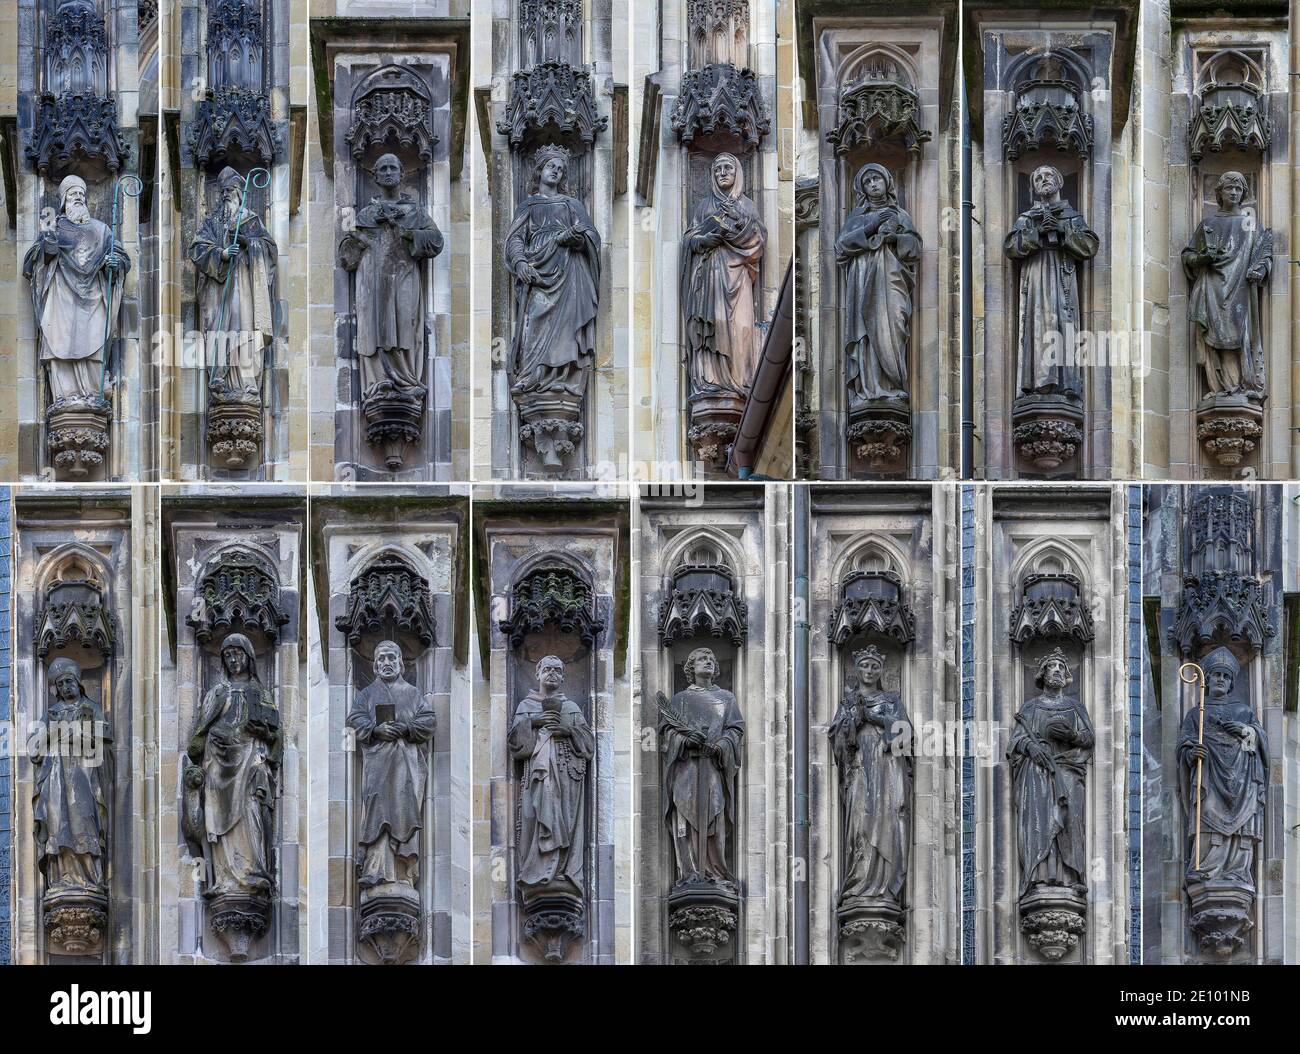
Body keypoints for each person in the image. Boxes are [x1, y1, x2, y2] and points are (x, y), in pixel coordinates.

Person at [337, 153, 444, 400]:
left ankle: (406, 380)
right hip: (372, 284)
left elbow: (436, 241)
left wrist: (407, 233)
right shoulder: (365, 215)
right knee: (374, 328)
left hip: (403, 277)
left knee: (405, 323)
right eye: (382, 168)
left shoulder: (415, 213)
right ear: (374, 176)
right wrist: (357, 241)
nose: (387, 172)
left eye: (392, 168)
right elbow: (346, 256)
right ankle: (378, 381)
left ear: (401, 174)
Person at [23, 174, 130, 403]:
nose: (79, 198)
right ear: (64, 200)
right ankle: (65, 396)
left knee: (94, 343)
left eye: (81, 194)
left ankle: (93, 393)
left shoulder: (102, 230)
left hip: (93, 297)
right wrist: (47, 243)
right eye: (73, 194)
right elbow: (33, 261)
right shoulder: (55, 226)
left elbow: (121, 257)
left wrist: (115, 262)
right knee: (59, 340)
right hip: (62, 297)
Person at [346, 640, 436, 894]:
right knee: (376, 807)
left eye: (391, 658)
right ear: (374, 666)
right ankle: (374, 868)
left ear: (400, 663)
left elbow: (429, 721)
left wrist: (405, 728)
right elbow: (352, 723)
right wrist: (375, 730)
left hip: (405, 766)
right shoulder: (366, 695)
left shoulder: (412, 694)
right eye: (381, 659)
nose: (386, 663)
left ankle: (401, 871)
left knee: (402, 809)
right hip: (377, 764)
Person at [680, 152, 767, 398]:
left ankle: (739, 379)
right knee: (714, 325)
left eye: (728, 168)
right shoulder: (704, 206)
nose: (722, 173)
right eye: (717, 170)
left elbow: (759, 240)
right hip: (708, 277)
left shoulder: (746, 205)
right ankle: (711, 379)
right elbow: (689, 238)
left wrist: (737, 228)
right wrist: (705, 239)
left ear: (737, 171)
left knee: (741, 327)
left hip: (738, 276)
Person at [836, 164, 921, 408]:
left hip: (892, 279)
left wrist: (895, 237)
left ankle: (893, 384)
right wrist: (872, 224)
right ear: (863, 188)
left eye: (877, 179)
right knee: (866, 330)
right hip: (863, 279)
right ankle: (870, 387)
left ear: (887, 182)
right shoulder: (857, 217)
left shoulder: (901, 215)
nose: (873, 184)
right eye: (868, 181)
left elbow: (914, 248)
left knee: (892, 324)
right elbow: (841, 246)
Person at [1182, 171, 1272, 399]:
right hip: (1212, 289)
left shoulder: (1251, 225)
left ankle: (1238, 388)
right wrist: (1204, 258)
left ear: (1243, 194)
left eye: (1238, 189)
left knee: (1236, 340)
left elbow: (1265, 255)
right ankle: (1219, 387)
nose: (1233, 192)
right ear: (1219, 193)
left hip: (1240, 292)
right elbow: (1188, 257)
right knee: (1215, 340)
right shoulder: (1208, 224)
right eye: (1228, 188)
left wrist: (1259, 271)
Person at [659, 646, 745, 885]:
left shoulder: (726, 699)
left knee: (714, 814)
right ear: (690, 667)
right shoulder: (680, 700)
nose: (708, 661)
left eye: (711, 658)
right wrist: (685, 740)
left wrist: (720, 746)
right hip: (687, 769)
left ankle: (715, 871)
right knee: (685, 818)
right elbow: (666, 734)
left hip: (713, 767)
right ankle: (689, 872)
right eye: (701, 658)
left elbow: (736, 730)